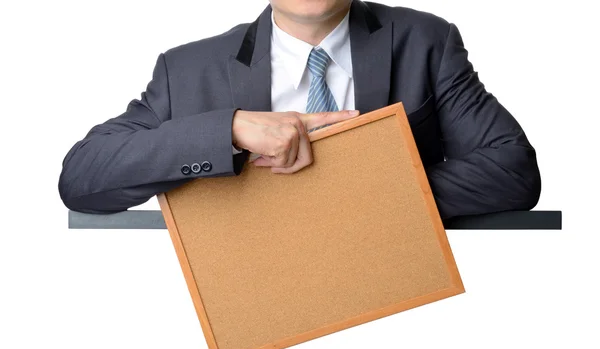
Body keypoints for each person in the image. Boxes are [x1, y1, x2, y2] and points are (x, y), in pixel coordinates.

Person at [58, 0, 541, 220]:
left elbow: (513, 172)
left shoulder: (427, 42)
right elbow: (81, 180)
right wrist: (227, 130)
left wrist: (348, 193)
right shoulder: (186, 70)